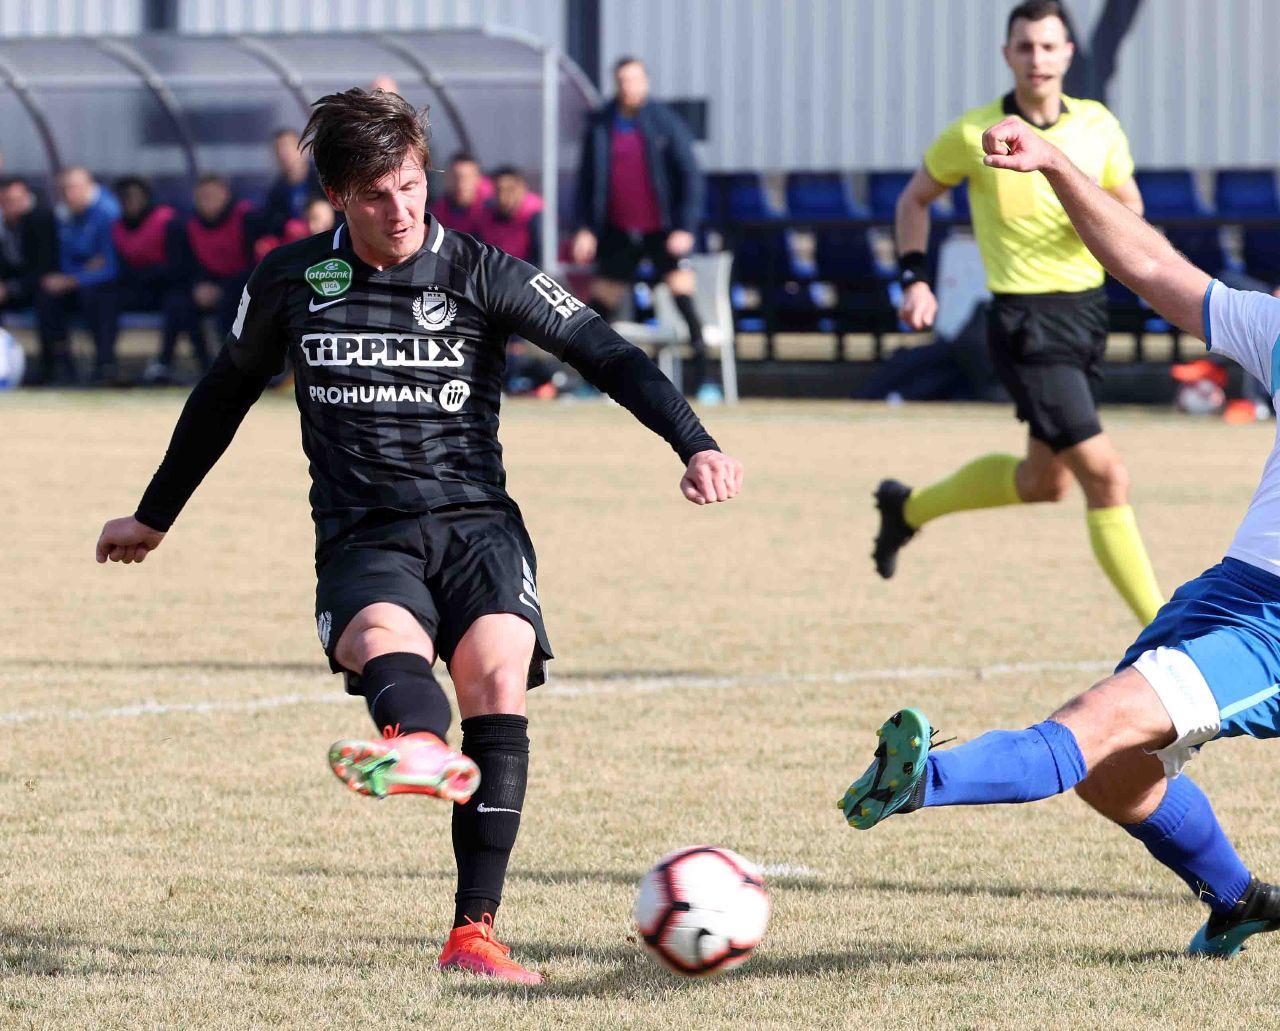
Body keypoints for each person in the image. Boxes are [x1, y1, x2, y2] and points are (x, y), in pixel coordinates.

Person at [94, 88, 743, 985]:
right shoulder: (289, 280)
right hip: (364, 532)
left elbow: (606, 352)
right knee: (380, 638)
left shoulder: (481, 270)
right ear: (336, 195)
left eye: (409, 185)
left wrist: (694, 442)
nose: (398, 210)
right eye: (374, 194)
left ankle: (474, 931)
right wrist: (154, 515)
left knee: (497, 675)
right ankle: (420, 749)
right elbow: (223, 393)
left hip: (478, 526)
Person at [841, 113, 1280, 960]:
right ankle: (1240, 900)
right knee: (1114, 776)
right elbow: (1151, 264)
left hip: (1274, 629)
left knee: (1090, 723)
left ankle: (923, 779)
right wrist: (1053, 164)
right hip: (1230, 587)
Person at [874, 0, 1162, 628]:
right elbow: (913, 201)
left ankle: (907, 508)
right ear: (1007, 55)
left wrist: (1096, 217)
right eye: (1025, 47)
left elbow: (1132, 207)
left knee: (1043, 482)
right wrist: (915, 279)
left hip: (1087, 319)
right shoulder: (975, 132)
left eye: (1048, 46)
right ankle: (1164, 633)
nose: (1037, 58)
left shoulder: (1098, 126)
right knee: (1107, 477)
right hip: (1025, 326)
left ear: (1068, 54)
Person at [570, 57, 715, 402]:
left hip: (662, 231)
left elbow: (691, 177)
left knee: (683, 297)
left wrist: (685, 227)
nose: (628, 87)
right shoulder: (601, 124)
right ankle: (589, 381)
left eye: (634, 80)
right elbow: (586, 182)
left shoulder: (665, 123)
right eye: (622, 80)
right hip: (619, 232)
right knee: (599, 306)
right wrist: (585, 228)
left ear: (645, 83)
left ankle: (707, 381)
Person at [111, 176, 208, 385]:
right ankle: (106, 367)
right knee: (104, 300)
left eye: (135, 196)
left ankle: (185, 365)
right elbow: (122, 269)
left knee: (180, 305)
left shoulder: (167, 221)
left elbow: (179, 267)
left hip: (169, 287)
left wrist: (148, 274)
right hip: (139, 290)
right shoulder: (118, 228)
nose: (130, 202)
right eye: (125, 198)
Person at [37, 167, 121, 384]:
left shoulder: (108, 212)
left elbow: (110, 267)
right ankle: (61, 367)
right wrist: (79, 273)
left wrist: (75, 279)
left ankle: (105, 365)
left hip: (106, 287)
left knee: (96, 297)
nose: (69, 194)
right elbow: (66, 257)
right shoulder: (63, 214)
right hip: (75, 282)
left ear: (89, 187)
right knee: (47, 297)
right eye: (64, 189)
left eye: (73, 188)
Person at [179, 174, 253, 339]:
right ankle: (201, 355)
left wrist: (222, 289)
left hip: (242, 284)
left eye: (212, 196)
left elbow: (256, 265)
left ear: (226, 195)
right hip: (209, 284)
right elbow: (187, 267)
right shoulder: (189, 227)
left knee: (231, 303)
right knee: (180, 304)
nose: (207, 201)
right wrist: (197, 287)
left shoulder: (247, 218)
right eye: (202, 197)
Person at [0, 176, 59, 379]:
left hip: (35, 287)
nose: (12, 205)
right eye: (7, 201)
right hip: (10, 288)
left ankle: (51, 370)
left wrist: (9, 288)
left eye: (17, 200)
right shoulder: (4, 226)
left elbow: (44, 268)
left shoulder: (41, 220)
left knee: (47, 301)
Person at [260, 129, 323, 240]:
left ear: (304, 149)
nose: (283, 153)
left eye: (288, 146)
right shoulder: (275, 192)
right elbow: (271, 225)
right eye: (278, 149)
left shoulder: (322, 180)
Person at [476, 166, 541, 265]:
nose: (503, 197)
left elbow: (541, 261)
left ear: (522, 189)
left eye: (510, 190)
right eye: (498, 190)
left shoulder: (536, 218)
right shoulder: (484, 217)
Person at [427, 151, 491, 237]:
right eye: (455, 176)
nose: (461, 182)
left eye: (467, 177)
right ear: (445, 178)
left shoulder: (492, 216)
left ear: (478, 179)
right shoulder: (432, 215)